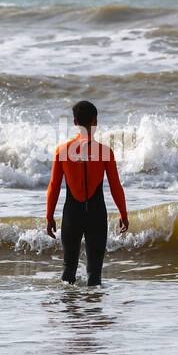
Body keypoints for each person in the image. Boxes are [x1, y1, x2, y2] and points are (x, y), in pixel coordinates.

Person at [45, 100, 128, 286]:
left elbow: (54, 186)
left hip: (71, 215)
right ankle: (93, 312)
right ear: (95, 121)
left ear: (74, 122)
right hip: (96, 214)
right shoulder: (105, 152)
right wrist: (123, 214)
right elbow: (115, 186)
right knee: (94, 273)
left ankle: (69, 311)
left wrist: (49, 216)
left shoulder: (62, 151)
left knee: (68, 269)